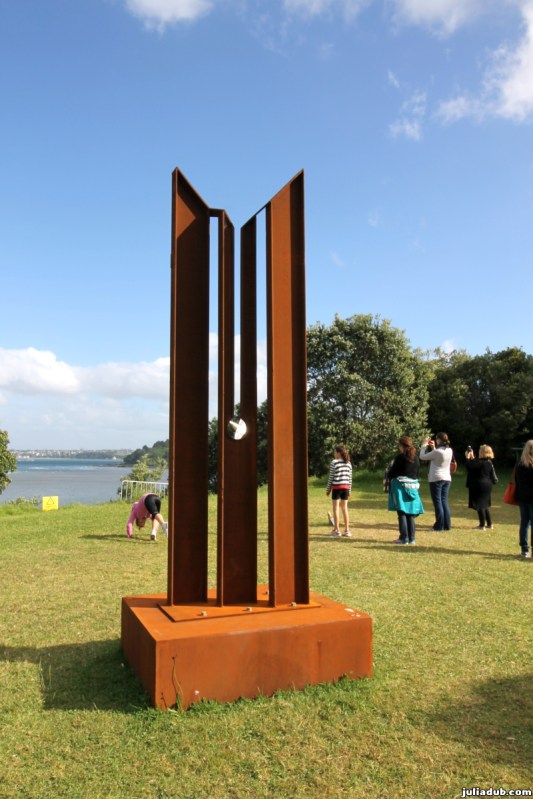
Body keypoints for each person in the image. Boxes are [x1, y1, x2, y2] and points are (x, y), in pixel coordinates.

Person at [387, 435, 424, 545]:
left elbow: (392, 473)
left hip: (400, 487)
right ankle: (412, 538)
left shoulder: (399, 458)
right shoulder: (416, 458)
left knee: (402, 511)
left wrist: (389, 473)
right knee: (411, 512)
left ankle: (404, 538)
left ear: (401, 446)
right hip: (413, 487)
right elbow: (416, 473)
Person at [419, 432, 453, 531]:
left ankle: (439, 526)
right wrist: (434, 448)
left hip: (436, 479)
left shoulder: (438, 452)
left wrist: (424, 446)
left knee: (437, 502)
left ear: (438, 440)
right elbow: (438, 457)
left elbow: (422, 456)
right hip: (446, 478)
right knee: (444, 501)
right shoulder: (449, 450)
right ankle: (447, 525)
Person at [465, 444, 498, 530]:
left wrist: (467, 458)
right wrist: (472, 457)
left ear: (482, 452)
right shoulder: (489, 462)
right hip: (487, 484)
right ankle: (489, 524)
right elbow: (476, 464)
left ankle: (482, 525)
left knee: (479, 505)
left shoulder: (481, 463)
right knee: (485, 504)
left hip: (479, 485)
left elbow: (470, 468)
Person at [326, 445, 352, 537]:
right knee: (345, 509)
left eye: (335, 452)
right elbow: (350, 478)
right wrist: (349, 491)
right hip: (346, 488)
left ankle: (337, 530)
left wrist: (328, 489)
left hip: (336, 488)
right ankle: (347, 530)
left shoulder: (334, 462)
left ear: (338, 453)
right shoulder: (348, 463)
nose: (334, 454)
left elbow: (331, 477)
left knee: (336, 509)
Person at [515, 439, 533, 559]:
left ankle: (524, 549)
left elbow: (517, 481)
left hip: (522, 497)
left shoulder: (520, 465)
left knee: (524, 523)